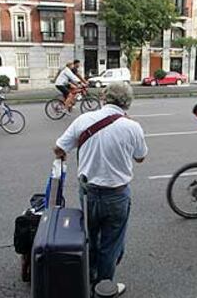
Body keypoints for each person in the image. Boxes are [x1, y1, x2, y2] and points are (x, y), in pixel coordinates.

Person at [54, 83, 148, 296]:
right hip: (117, 195)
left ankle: (88, 276)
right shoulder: (132, 127)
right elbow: (140, 157)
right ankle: (104, 288)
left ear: (104, 98)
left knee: (90, 236)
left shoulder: (83, 120)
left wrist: (66, 155)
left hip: (88, 192)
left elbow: (58, 148)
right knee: (111, 243)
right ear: (127, 103)